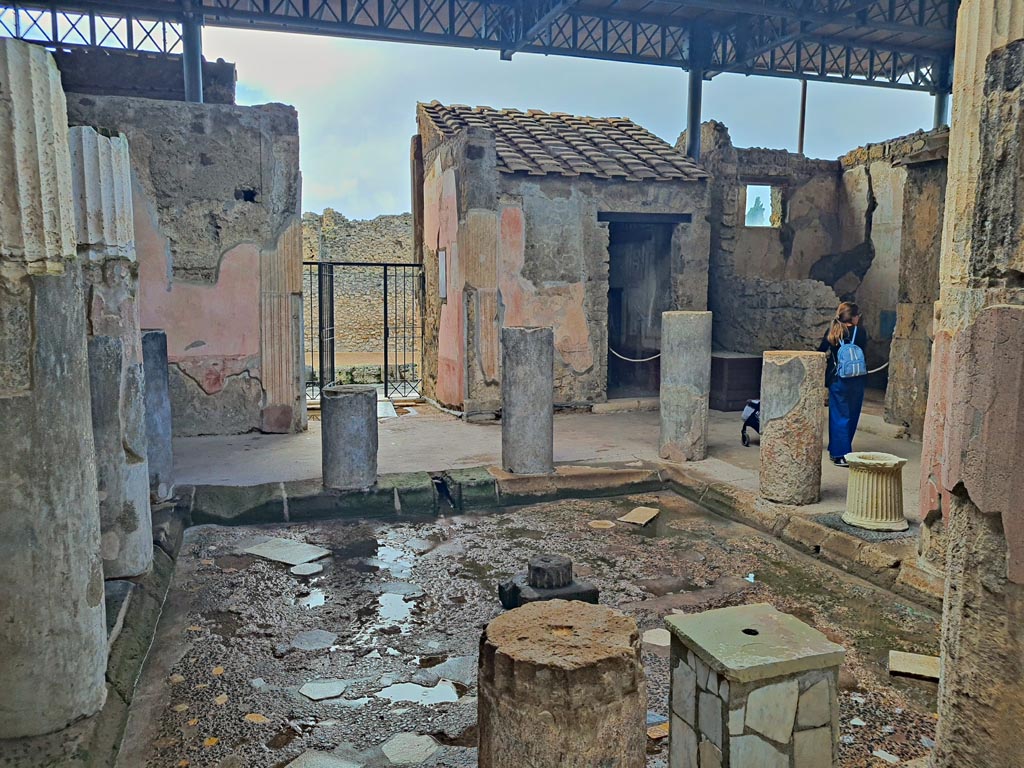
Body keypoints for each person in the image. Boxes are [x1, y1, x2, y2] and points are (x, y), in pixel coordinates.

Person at [817, 302, 868, 467]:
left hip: (837, 379)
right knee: (852, 415)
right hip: (857, 379)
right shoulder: (860, 332)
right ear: (854, 317)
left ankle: (838, 451)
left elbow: (820, 350)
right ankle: (841, 452)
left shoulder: (833, 331)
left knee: (839, 415)